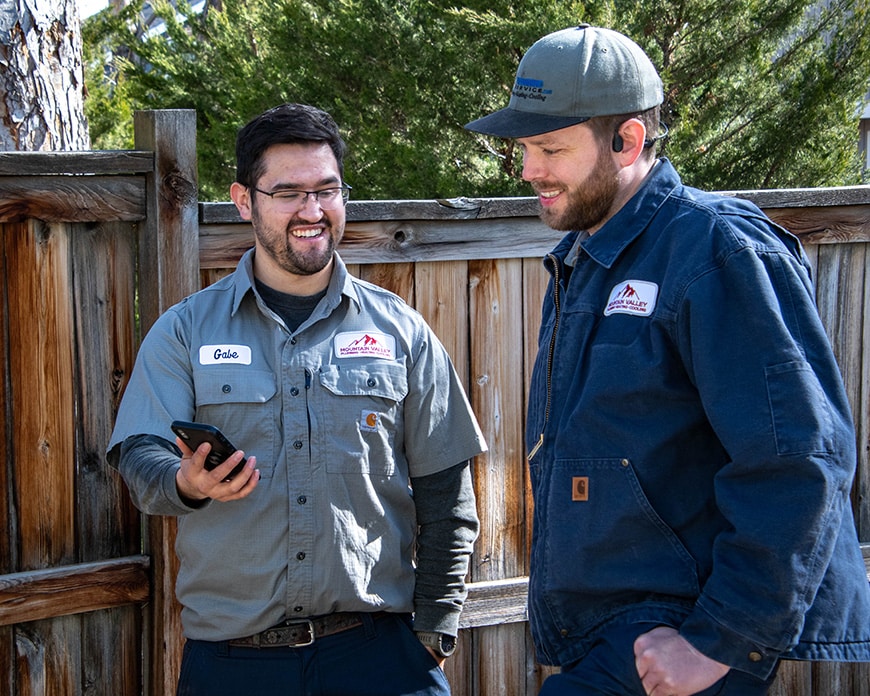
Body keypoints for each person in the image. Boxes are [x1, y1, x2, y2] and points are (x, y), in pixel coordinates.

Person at [465, 24, 870, 696]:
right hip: (614, 636)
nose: (530, 169)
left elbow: (799, 460)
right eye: (526, 149)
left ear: (627, 140)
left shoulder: (716, 250)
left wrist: (720, 641)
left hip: (679, 637)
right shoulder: (588, 258)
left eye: (551, 148)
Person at [108, 103, 487, 696]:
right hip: (234, 667)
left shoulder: (401, 332)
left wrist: (434, 630)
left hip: (380, 658)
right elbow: (139, 456)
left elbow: (448, 494)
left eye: (326, 190)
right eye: (287, 193)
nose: (312, 211)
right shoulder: (185, 331)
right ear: (244, 201)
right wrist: (187, 483)